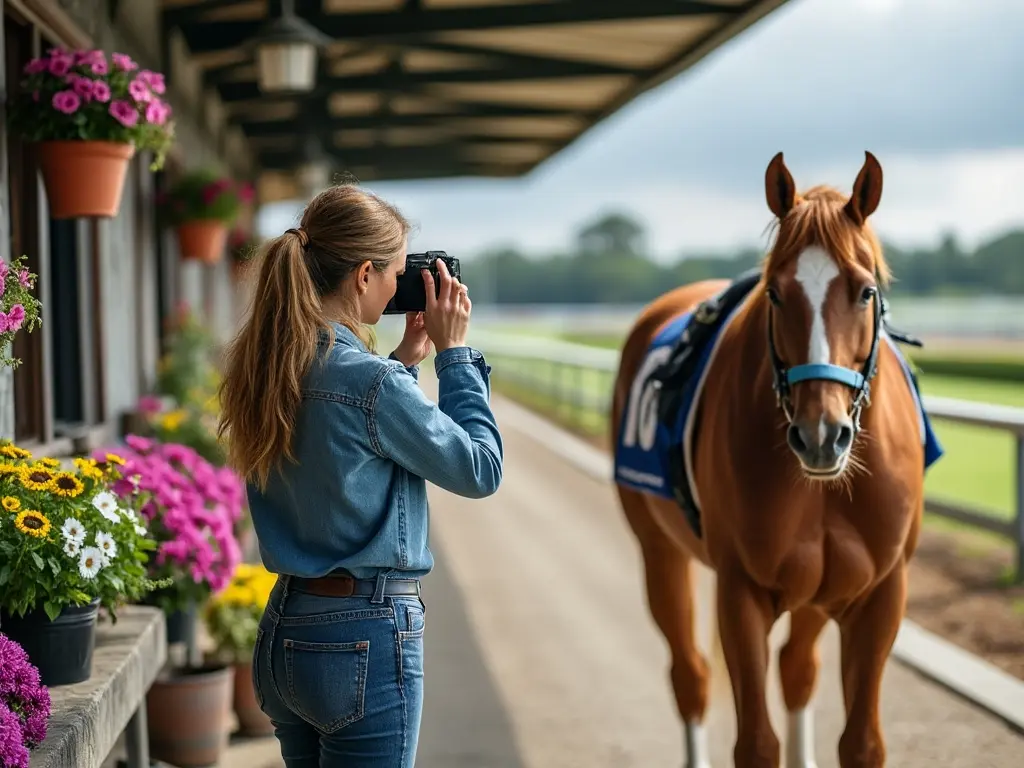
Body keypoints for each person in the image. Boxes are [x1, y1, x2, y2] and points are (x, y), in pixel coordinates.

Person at [217, 183, 503, 768]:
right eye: (399, 272)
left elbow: (341, 445)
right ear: (365, 274)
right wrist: (454, 357)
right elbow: (480, 468)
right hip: (363, 638)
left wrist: (403, 364)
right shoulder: (370, 383)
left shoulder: (270, 365)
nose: (403, 286)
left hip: (286, 631)